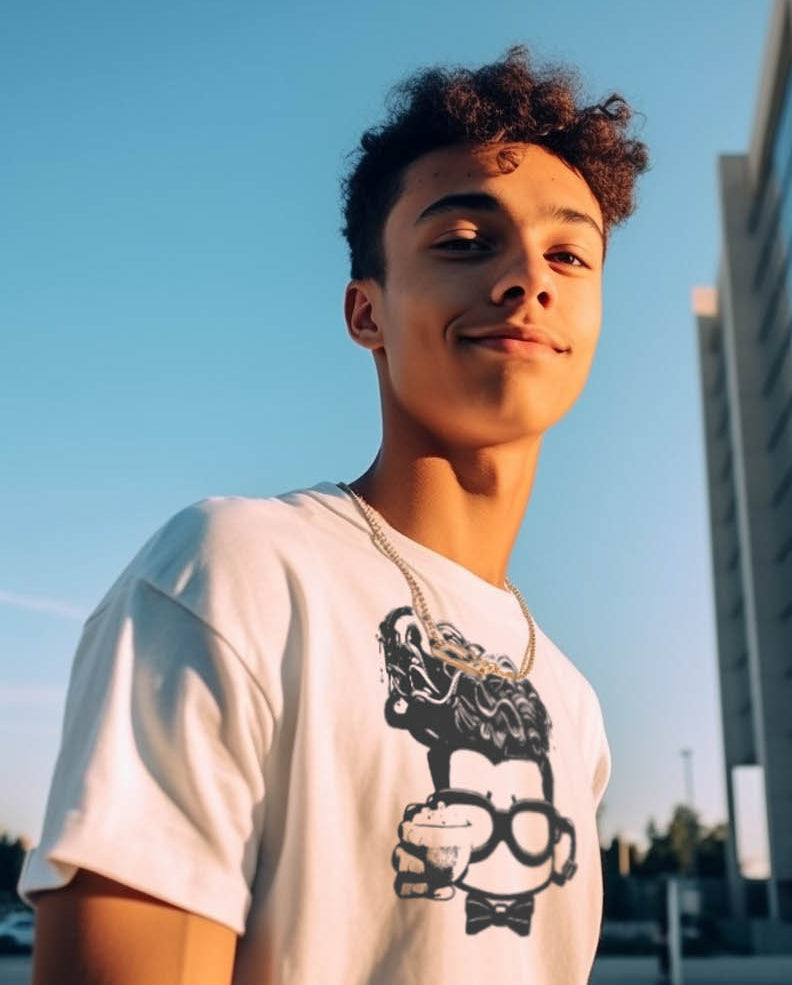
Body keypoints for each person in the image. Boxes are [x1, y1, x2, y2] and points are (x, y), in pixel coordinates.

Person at [20, 46, 647, 984]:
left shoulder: (572, 703)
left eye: (568, 253)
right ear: (367, 312)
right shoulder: (235, 575)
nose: (528, 277)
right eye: (464, 241)